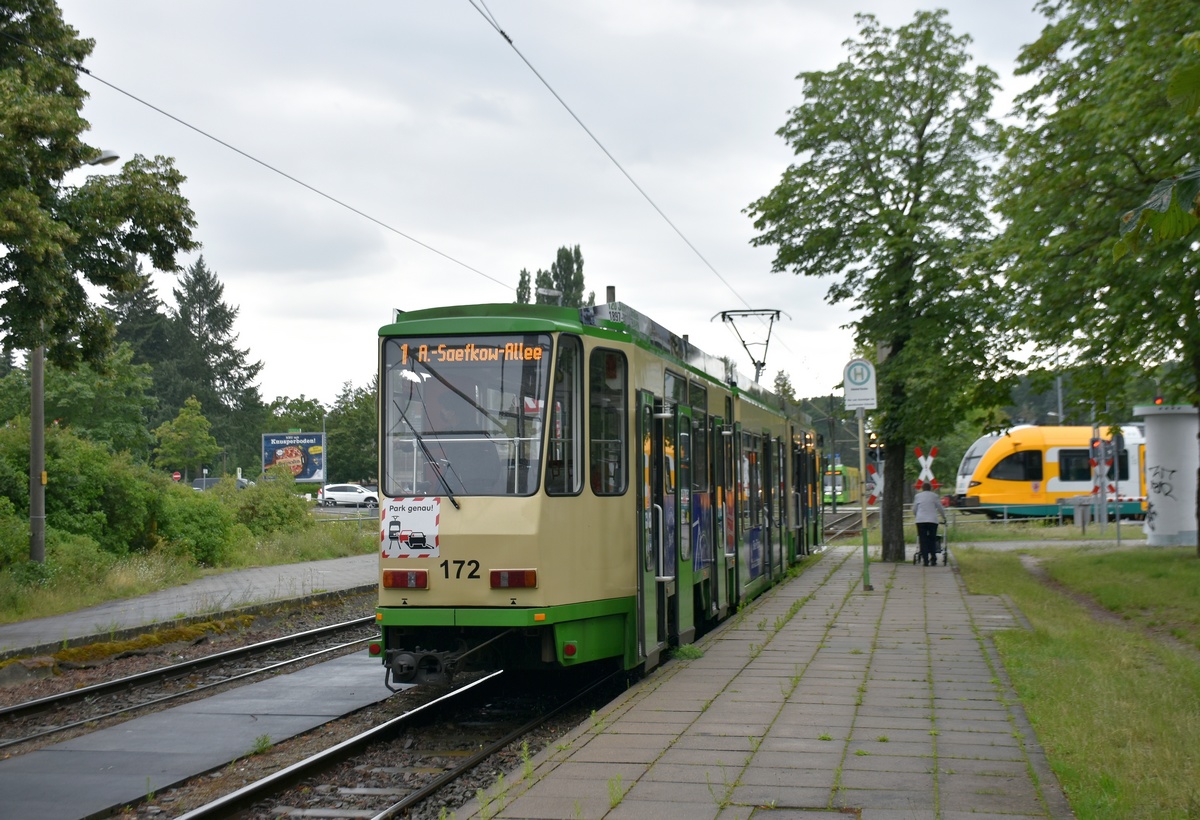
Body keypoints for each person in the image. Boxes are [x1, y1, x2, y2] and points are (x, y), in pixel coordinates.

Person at [912, 481, 947, 566]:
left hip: (920, 521)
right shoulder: (934, 496)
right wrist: (944, 517)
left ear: (922, 488)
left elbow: (914, 509)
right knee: (932, 539)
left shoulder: (918, 496)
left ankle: (925, 560)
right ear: (930, 488)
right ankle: (933, 559)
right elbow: (940, 508)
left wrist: (917, 515)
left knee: (923, 540)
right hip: (932, 520)